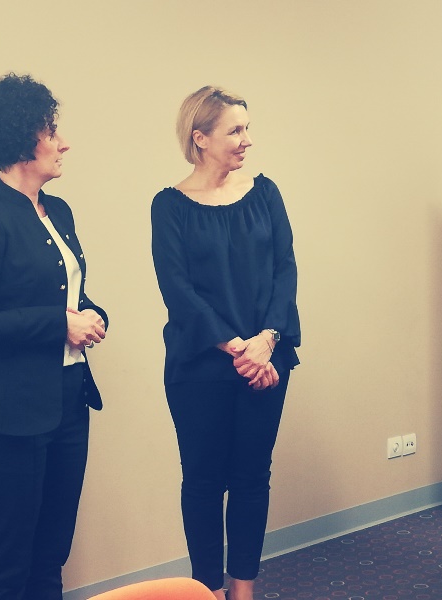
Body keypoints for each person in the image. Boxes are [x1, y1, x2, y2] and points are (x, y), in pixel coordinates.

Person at [0, 73, 108, 600]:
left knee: (51, 555)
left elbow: (68, 293)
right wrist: (60, 323)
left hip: (68, 402)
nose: (64, 143)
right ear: (22, 140)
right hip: (3, 418)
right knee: (7, 563)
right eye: (51, 132)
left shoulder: (58, 211)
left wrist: (91, 315)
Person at [151, 86, 301, 600]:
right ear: (200, 138)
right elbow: (177, 290)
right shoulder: (169, 206)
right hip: (201, 366)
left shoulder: (266, 193)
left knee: (252, 477)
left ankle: (243, 589)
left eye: (247, 128)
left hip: (268, 358)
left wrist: (267, 340)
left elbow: (285, 270)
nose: (247, 140)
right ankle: (208, 591)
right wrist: (239, 348)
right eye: (235, 130)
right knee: (203, 481)